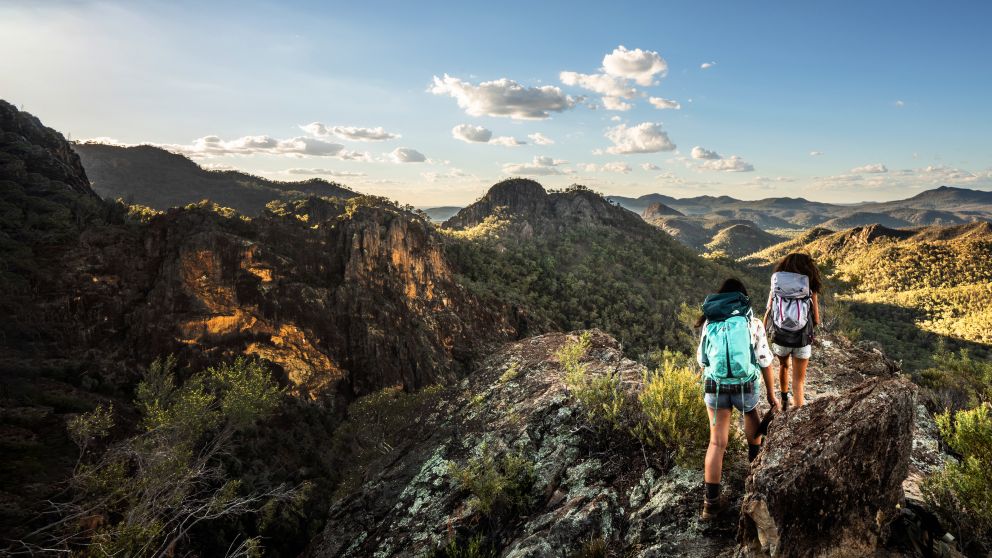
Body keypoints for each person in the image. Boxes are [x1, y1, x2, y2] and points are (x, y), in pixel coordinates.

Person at [696, 278, 779, 520]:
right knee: (751, 418)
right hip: (745, 385)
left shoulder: (710, 323)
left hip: (716, 386)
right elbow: (764, 360)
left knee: (716, 444)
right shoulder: (751, 323)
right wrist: (773, 395)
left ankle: (710, 505)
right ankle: (754, 480)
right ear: (742, 299)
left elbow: (703, 361)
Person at [763, 253, 822, 409]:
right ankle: (797, 413)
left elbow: (769, 310)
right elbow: (816, 319)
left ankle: (784, 399)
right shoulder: (809, 286)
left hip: (781, 336)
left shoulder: (776, 284)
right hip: (802, 338)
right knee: (799, 381)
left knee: (784, 366)